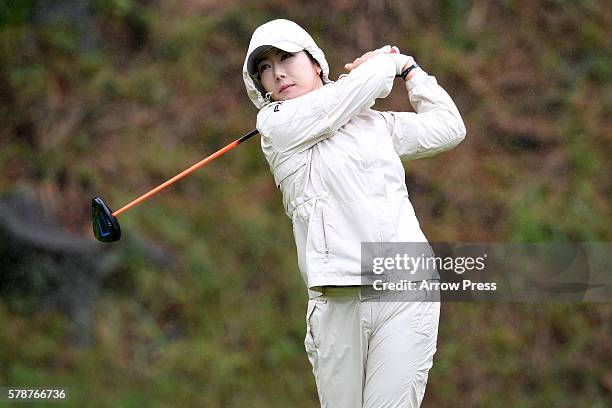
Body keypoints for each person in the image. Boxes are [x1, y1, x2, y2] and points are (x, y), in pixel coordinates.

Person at [242, 19, 466, 407]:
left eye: (286, 58)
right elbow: (346, 98)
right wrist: (385, 62)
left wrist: (411, 71)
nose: (277, 72)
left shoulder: (374, 123)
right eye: (264, 67)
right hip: (336, 303)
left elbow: (448, 127)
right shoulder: (276, 126)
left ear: (315, 63)